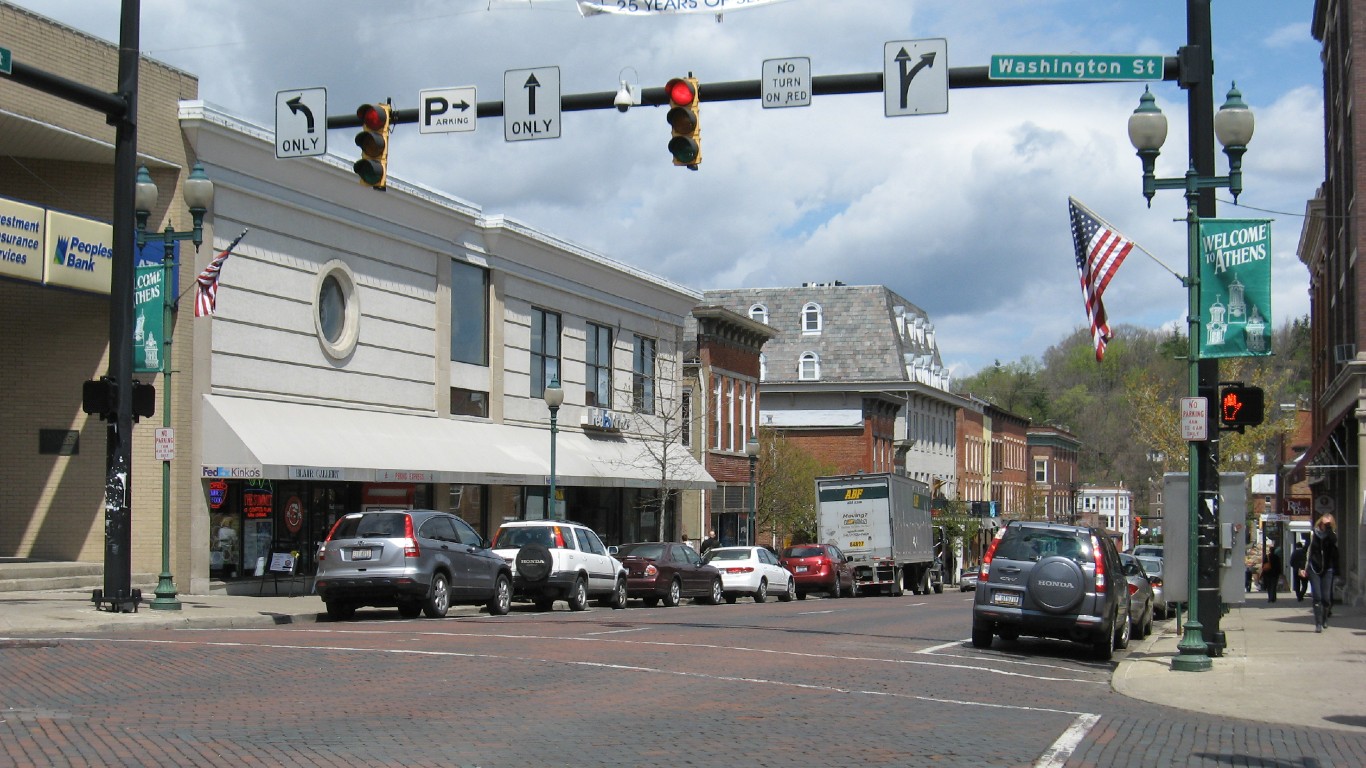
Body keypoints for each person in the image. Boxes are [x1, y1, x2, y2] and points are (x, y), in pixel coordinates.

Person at [1300, 513, 1339, 633]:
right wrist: (1303, 567)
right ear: (1319, 523)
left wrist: (1328, 528)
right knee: (1317, 596)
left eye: (1327, 524)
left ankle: (1324, 618)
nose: (1324, 525)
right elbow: (1308, 551)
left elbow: (1333, 541)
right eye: (1323, 523)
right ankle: (1318, 624)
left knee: (1326, 599)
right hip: (1314, 568)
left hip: (1328, 569)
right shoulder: (1313, 534)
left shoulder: (1331, 535)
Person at [1289, 537, 1308, 602]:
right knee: (1304, 584)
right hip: (1303, 570)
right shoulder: (1304, 552)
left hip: (1296, 570)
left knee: (1297, 583)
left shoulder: (1294, 553)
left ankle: (1298, 596)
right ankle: (1301, 594)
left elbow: (1291, 562)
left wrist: (1295, 566)